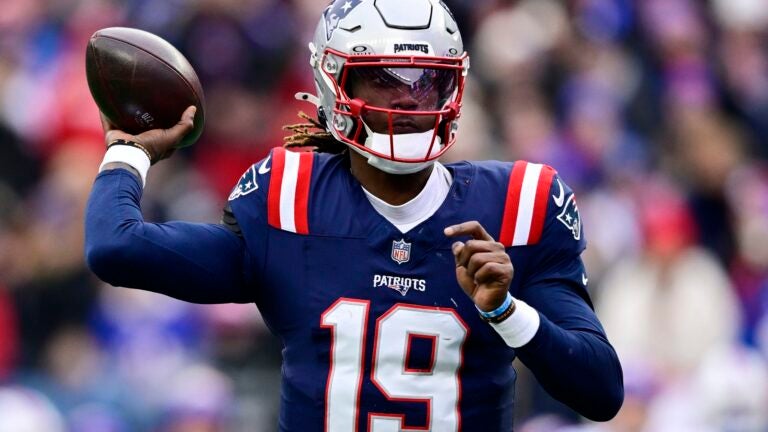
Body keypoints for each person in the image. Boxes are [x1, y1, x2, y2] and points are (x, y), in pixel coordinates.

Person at [85, 0, 624, 430]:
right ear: (333, 83)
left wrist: (506, 311)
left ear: (456, 87)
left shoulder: (517, 205)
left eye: (426, 81)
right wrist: (130, 149)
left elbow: (600, 391)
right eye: (383, 79)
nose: (409, 101)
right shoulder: (290, 199)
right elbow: (116, 249)